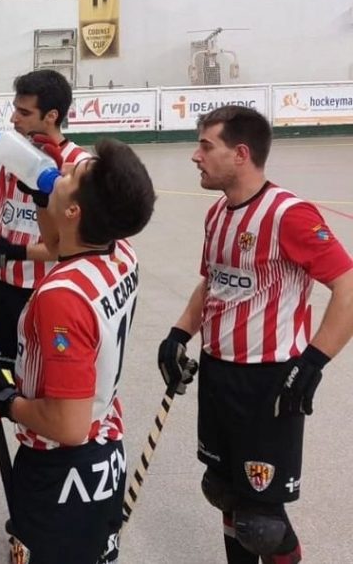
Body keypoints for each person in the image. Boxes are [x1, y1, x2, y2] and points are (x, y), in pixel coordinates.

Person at [157, 106, 353, 564]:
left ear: (240, 154)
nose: (195, 156)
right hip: (218, 373)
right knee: (224, 491)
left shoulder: (289, 215)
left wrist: (314, 362)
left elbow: (348, 286)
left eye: (206, 146)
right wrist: (178, 334)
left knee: (262, 524)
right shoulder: (217, 214)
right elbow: (213, 282)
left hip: (268, 383)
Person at [0, 138, 156, 564]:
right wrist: (43, 197)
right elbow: (57, 245)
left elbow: (68, 425)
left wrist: (5, 401)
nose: (62, 172)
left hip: (63, 468)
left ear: (73, 213)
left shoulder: (63, 297)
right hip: (105, 447)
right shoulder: (120, 251)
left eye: (71, 175)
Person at [0, 69, 89, 364]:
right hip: (7, 284)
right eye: (15, 109)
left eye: (24, 112)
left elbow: (75, 247)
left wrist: (13, 251)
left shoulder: (79, 166)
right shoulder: (9, 155)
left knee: (44, 375)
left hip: (51, 289)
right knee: (5, 372)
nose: (13, 119)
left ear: (51, 116)